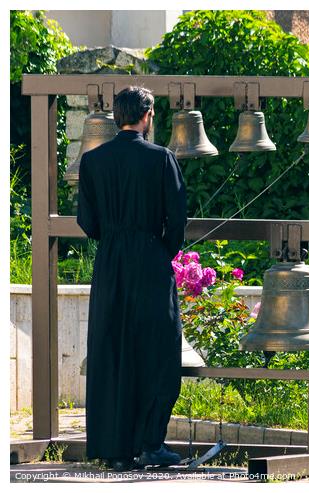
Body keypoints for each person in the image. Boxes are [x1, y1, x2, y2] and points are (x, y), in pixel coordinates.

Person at [77, 86, 187, 471]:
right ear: (148, 115)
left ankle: (114, 449)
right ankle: (151, 443)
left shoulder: (92, 162)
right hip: (150, 261)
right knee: (158, 351)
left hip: (109, 264)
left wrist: (114, 240)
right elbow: (177, 224)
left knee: (112, 350)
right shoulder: (162, 159)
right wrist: (157, 252)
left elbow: (87, 224)